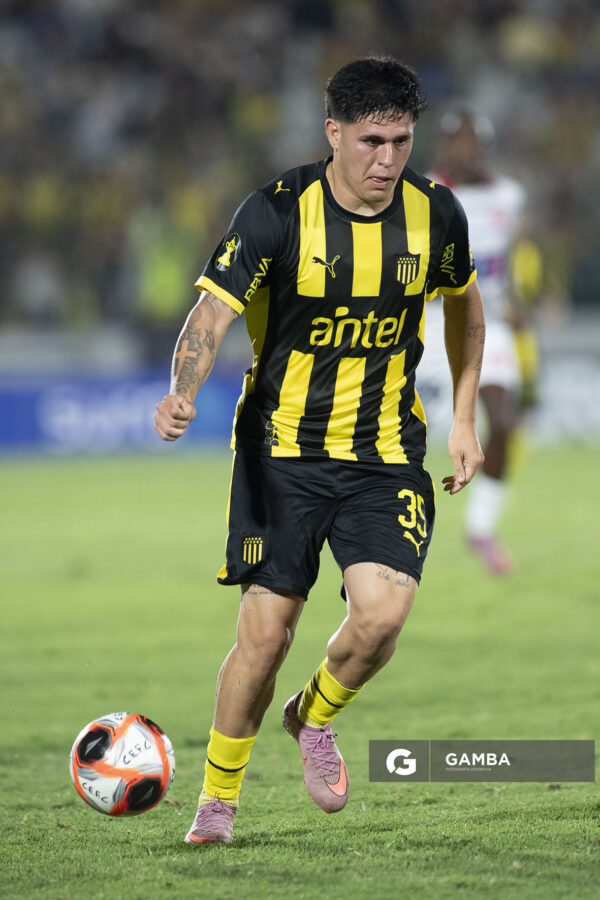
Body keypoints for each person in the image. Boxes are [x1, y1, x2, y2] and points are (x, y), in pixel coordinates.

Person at [154, 56, 485, 844]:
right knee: (266, 638)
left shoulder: (436, 214)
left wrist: (465, 418)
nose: (387, 160)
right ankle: (218, 800)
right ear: (333, 132)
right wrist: (184, 391)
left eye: (402, 141)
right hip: (280, 455)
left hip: (383, 453)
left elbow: (466, 310)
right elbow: (210, 317)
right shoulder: (276, 212)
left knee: (382, 617)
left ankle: (312, 716)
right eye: (371, 140)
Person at [419, 109, 526, 575]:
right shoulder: (424, 193)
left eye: (472, 141)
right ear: (444, 147)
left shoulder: (509, 195)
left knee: (503, 419)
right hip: (432, 317)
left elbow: (506, 257)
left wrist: (520, 298)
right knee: (405, 432)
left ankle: (481, 529)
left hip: (490, 321)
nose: (465, 149)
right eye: (456, 141)